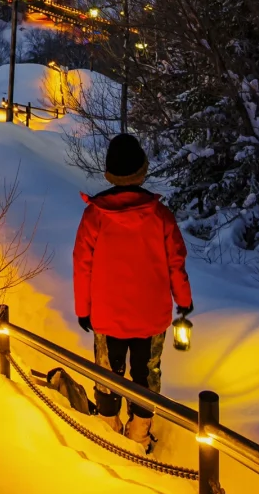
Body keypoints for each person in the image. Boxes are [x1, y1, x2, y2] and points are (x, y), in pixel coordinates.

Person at [72, 132, 193, 448]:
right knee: (146, 374)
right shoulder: (160, 217)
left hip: (107, 316)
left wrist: (84, 308)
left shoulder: (94, 217)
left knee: (108, 372)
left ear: (109, 173)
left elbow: (81, 264)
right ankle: (139, 433)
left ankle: (109, 429)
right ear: (142, 170)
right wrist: (183, 300)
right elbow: (176, 262)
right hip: (151, 318)